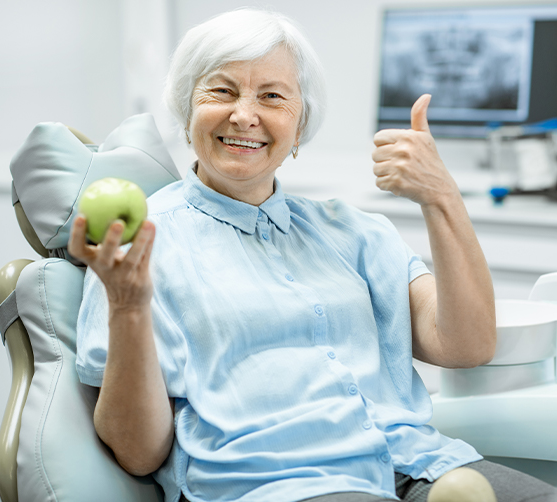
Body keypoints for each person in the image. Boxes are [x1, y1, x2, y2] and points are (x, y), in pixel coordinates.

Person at [68, 8, 557, 502]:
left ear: (299, 126)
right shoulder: (139, 249)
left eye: (272, 96)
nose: (244, 115)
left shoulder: (353, 232)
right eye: (221, 90)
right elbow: (138, 453)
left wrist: (441, 197)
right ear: (186, 109)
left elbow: (467, 345)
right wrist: (128, 307)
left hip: (419, 462)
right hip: (281, 484)